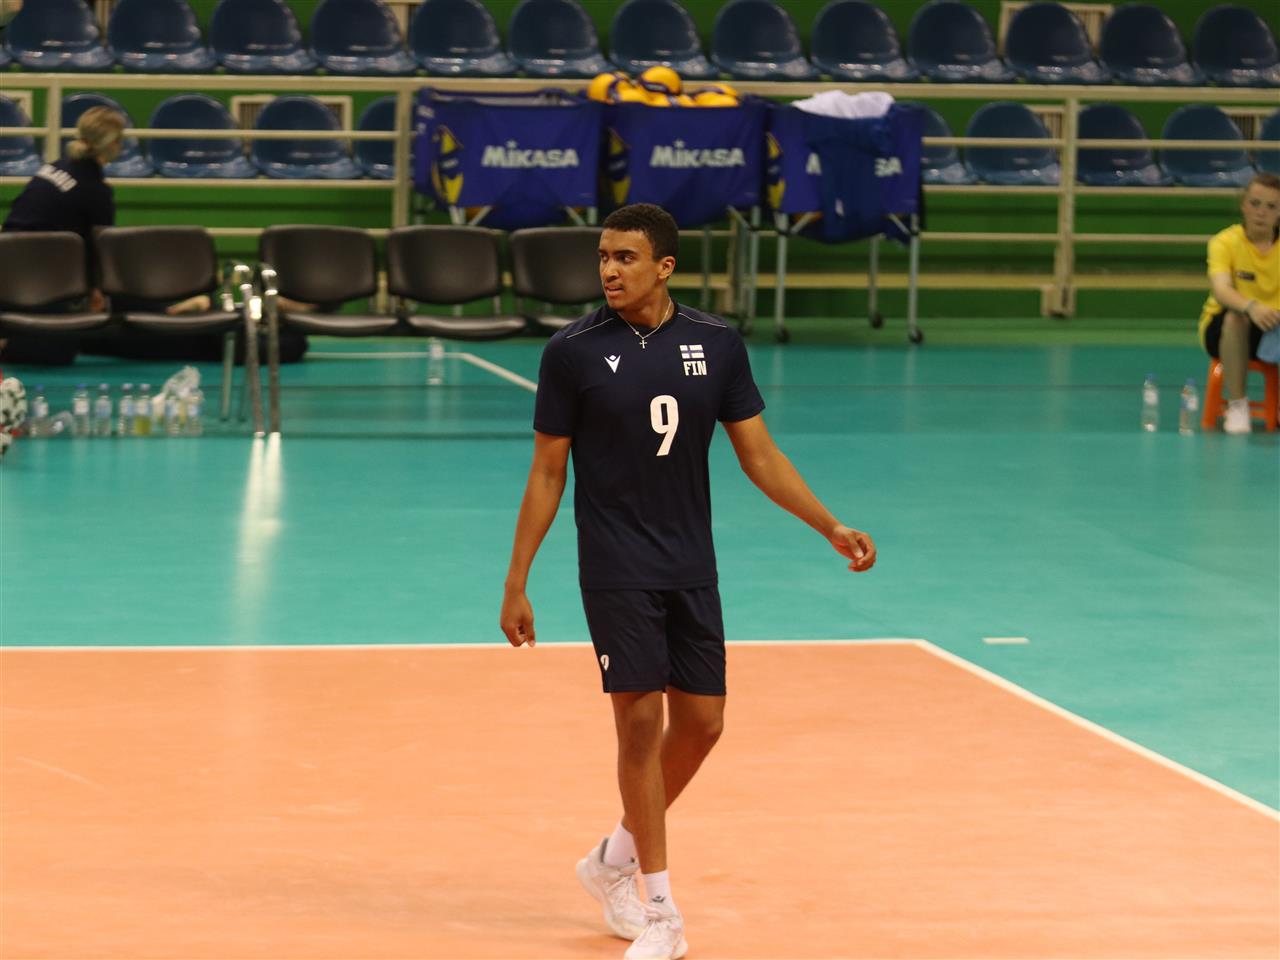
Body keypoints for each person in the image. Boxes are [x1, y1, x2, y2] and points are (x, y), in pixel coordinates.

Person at [499, 203, 876, 959]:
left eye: (625, 258)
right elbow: (547, 473)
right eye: (603, 256)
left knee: (703, 725)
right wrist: (517, 581)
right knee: (640, 727)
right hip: (615, 566)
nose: (609, 270)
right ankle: (661, 911)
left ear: (664, 266)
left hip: (689, 562)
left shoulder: (716, 343)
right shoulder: (572, 352)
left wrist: (828, 525)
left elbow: (759, 455)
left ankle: (611, 859)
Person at [1, 106, 124, 364]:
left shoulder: (53, 167)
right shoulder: (97, 191)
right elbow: (99, 249)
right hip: (36, 277)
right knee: (61, 350)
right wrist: (96, 290)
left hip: (9, 265)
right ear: (112, 144)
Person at [1199, 172, 1280, 434]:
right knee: (1236, 318)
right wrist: (1251, 307)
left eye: (1271, 206)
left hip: (1274, 328)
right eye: (1255, 204)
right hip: (1226, 329)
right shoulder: (1224, 242)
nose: (1261, 213)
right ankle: (1237, 405)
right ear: (1244, 205)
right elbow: (1222, 290)